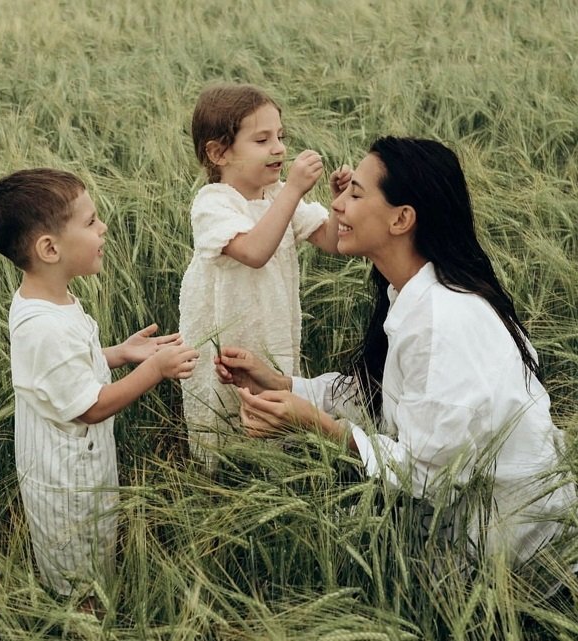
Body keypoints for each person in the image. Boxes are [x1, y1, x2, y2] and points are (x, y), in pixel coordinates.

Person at [215, 136, 575, 565]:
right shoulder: (415, 293)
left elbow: (432, 476)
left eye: (356, 193)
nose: (338, 205)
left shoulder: (443, 322)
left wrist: (320, 426)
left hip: (517, 554)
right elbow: (385, 393)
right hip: (475, 535)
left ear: (402, 219)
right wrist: (285, 384)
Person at [0, 169, 198, 600]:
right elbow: (90, 406)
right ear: (49, 248)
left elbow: (64, 371)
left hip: (83, 467)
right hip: (65, 485)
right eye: (91, 221)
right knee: (78, 581)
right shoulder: (44, 327)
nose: (103, 228)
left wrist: (118, 353)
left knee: (97, 554)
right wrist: (153, 371)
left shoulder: (50, 301)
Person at [179, 82, 350, 463]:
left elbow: (332, 241)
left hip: (271, 329)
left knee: (273, 415)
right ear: (218, 152)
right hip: (226, 336)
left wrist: (339, 205)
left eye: (280, 136)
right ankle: (222, 474)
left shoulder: (277, 196)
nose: (279, 148)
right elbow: (254, 252)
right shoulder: (212, 204)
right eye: (262, 140)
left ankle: (272, 466)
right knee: (225, 420)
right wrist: (292, 192)